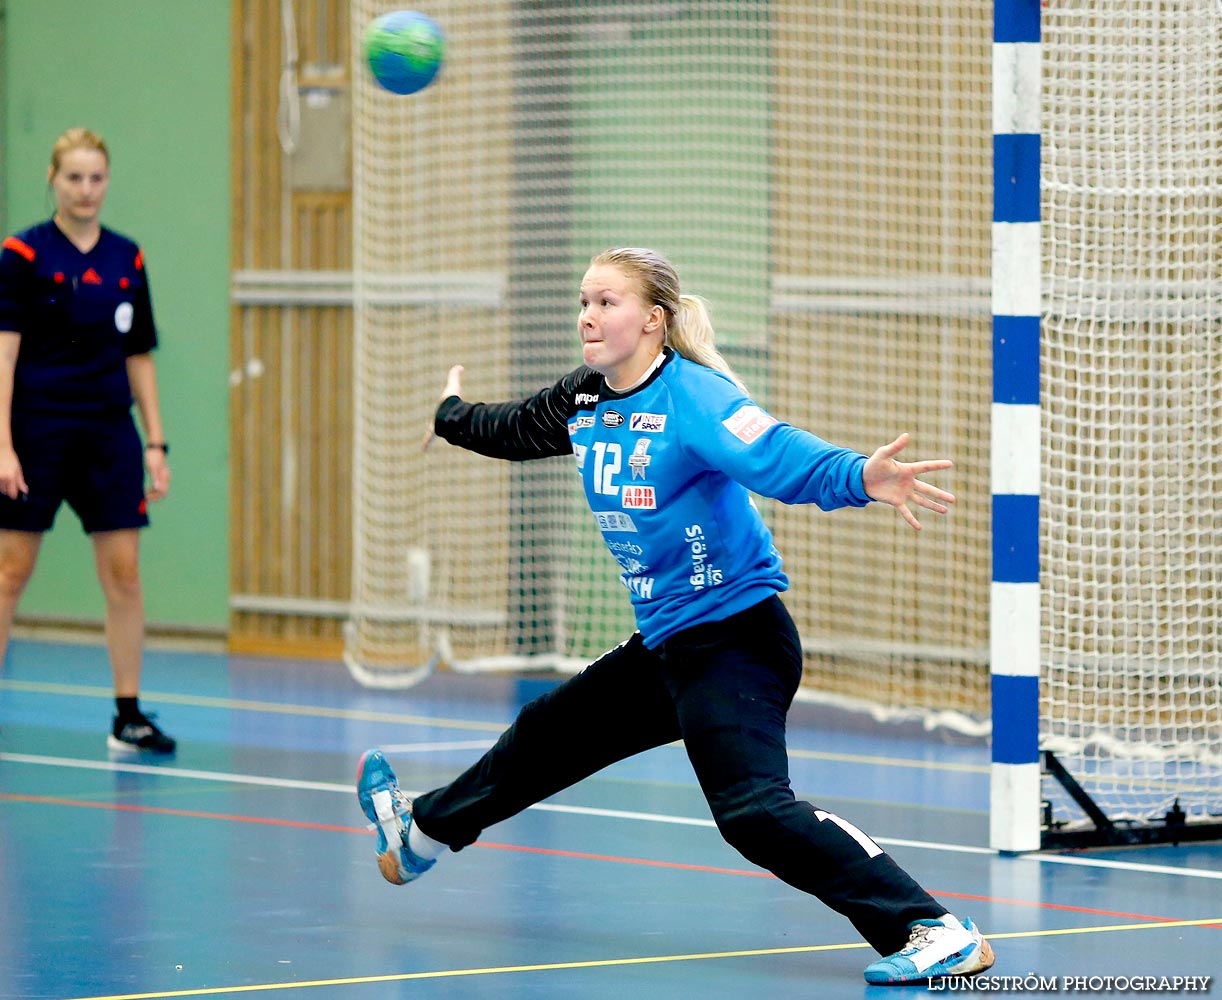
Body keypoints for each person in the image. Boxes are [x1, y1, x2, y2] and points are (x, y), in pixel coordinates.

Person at [356, 247, 994, 985]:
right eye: (585, 301)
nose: (589, 317)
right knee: (544, 736)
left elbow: (778, 455)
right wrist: (451, 416)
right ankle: (418, 837)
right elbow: (513, 429)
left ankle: (932, 927)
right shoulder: (585, 399)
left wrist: (860, 476)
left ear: (653, 321)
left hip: (736, 639)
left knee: (753, 811)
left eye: (607, 303)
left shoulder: (694, 398)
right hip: (667, 646)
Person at [0, 127, 175, 754]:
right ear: (53, 178)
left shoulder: (128, 258)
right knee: (10, 572)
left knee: (124, 576)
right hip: (37, 430)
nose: (85, 190)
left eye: (96, 178)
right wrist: (2, 445)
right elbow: (5, 351)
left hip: (108, 434)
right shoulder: (21, 253)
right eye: (73, 177)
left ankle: (127, 715)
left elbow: (139, 353)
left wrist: (155, 442)